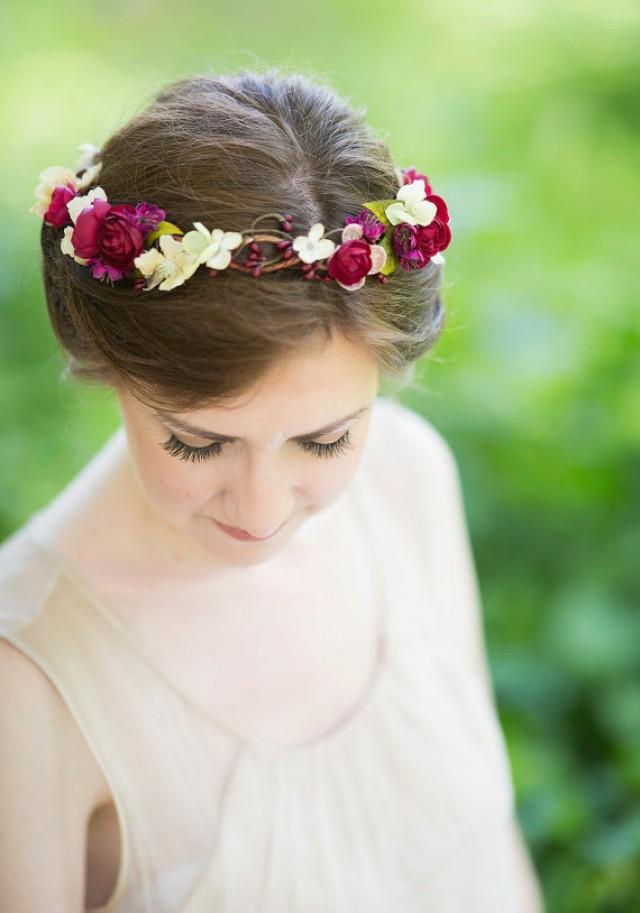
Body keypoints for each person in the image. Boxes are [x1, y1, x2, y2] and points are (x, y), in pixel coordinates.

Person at [0, 67, 544, 912]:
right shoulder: (25, 681)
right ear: (111, 368)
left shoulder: (409, 479)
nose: (260, 510)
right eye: (197, 441)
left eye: (325, 439)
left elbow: (491, 850)